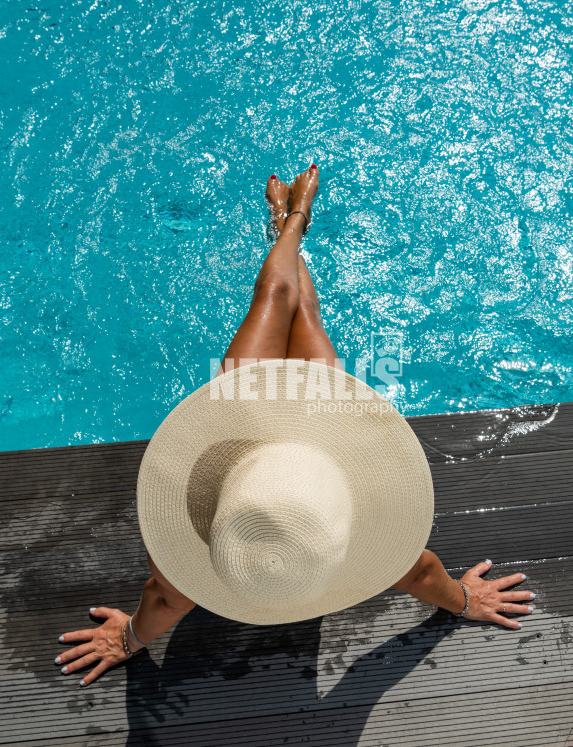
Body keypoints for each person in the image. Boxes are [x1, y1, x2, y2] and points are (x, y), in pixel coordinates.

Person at [54, 165, 535, 687]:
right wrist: (464, 602)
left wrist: (128, 639)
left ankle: (287, 224)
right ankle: (293, 221)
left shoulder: (185, 581)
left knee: (276, 300)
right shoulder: (368, 554)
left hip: (241, 432)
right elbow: (419, 572)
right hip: (318, 436)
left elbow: (162, 600)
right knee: (300, 307)